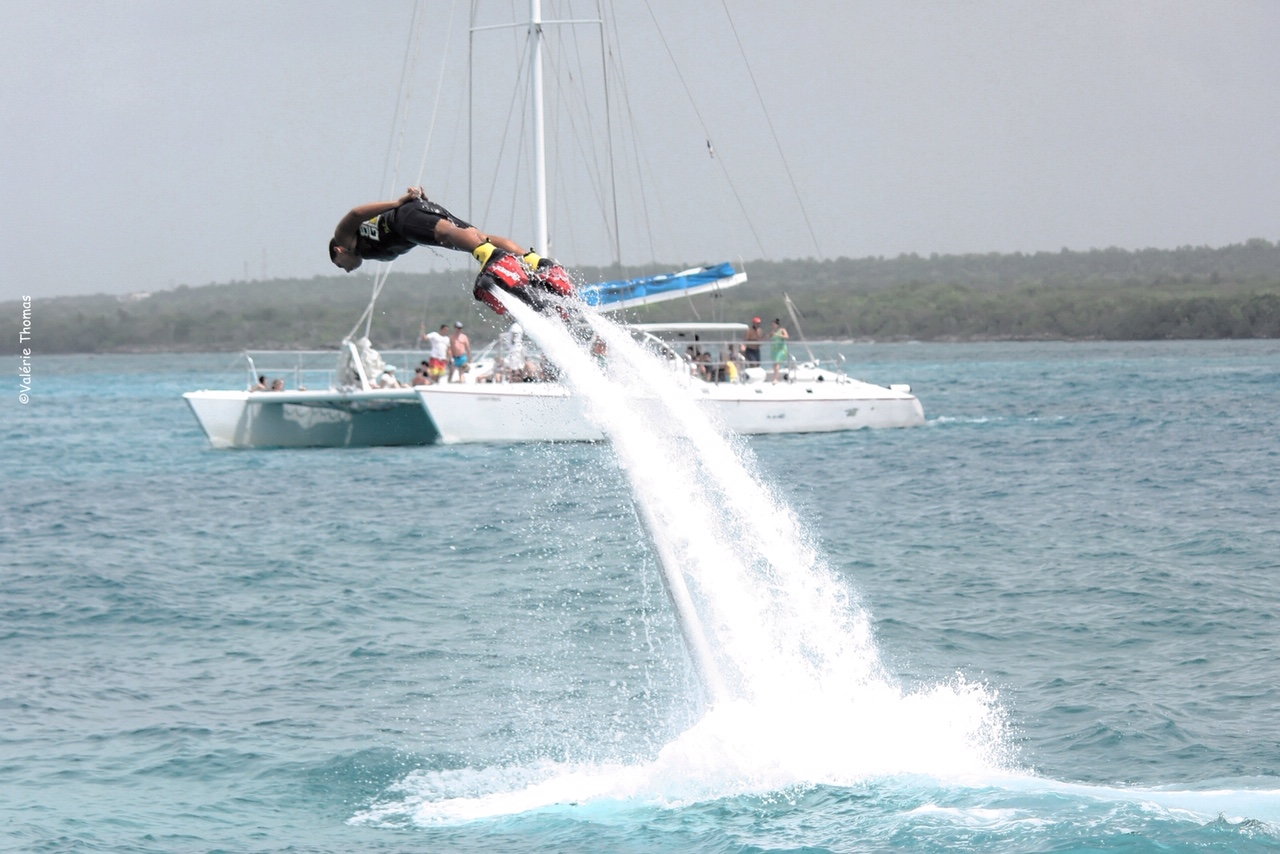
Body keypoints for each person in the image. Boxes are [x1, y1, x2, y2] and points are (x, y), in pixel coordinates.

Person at [329, 186, 574, 316]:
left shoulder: (344, 238)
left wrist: (397, 202)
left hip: (404, 217)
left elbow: (356, 213)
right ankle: (534, 263)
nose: (346, 269)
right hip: (415, 220)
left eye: (340, 264)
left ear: (339, 251)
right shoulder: (365, 251)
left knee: (456, 237)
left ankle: (495, 258)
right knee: (478, 236)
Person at [770, 318, 790, 382]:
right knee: (775, 364)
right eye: (772, 324)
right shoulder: (772, 331)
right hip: (774, 349)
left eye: (774, 324)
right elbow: (769, 337)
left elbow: (787, 337)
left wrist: (778, 334)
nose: (773, 325)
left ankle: (776, 378)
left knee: (777, 363)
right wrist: (770, 335)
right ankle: (775, 377)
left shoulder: (782, 330)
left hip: (780, 349)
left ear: (777, 325)